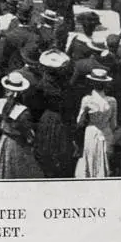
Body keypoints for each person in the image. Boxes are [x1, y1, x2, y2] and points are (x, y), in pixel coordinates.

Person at [0, 71, 44, 179]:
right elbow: (27, 132)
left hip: (4, 141)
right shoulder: (23, 111)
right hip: (18, 144)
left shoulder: (0, 103)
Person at [33, 49, 77, 178]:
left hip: (47, 118)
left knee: (45, 149)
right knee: (62, 148)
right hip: (62, 120)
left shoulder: (42, 85)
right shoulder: (66, 85)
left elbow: (37, 106)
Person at [74, 68, 117, 178]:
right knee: (105, 159)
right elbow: (114, 124)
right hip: (106, 131)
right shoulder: (112, 101)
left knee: (90, 157)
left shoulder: (87, 100)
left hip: (91, 131)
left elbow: (79, 121)